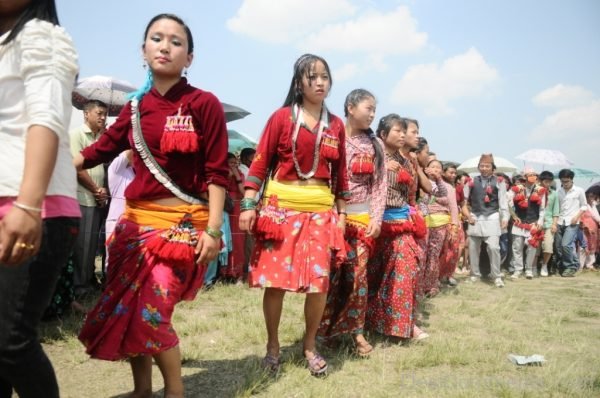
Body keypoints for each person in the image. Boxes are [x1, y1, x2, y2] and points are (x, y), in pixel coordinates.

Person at [76, 14, 229, 398]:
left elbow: (217, 172)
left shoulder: (203, 104)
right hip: (134, 229)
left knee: (153, 313)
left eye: (175, 42)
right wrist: (56, 162)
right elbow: (98, 150)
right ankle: (142, 390)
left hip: (181, 228)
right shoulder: (133, 108)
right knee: (129, 311)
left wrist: (213, 230)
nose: (165, 46)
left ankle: (174, 393)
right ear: (143, 51)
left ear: (189, 58)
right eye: (156, 39)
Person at [239, 54, 349, 376]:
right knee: (275, 284)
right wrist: (248, 203)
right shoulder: (281, 118)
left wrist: (341, 215)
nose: (319, 83)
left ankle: (309, 345)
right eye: (312, 77)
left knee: (319, 285)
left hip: (320, 213)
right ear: (299, 82)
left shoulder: (336, 125)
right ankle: (273, 346)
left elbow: (341, 174)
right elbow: (259, 161)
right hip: (281, 210)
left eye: (324, 77)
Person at [0, 1, 80, 396]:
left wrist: (28, 205)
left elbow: (45, 117)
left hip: (35, 207)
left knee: (10, 340)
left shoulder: (41, 36)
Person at [317, 89, 387, 357]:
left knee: (357, 277)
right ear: (350, 107)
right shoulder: (331, 136)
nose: (371, 114)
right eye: (368, 108)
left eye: (374, 110)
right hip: (330, 217)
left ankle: (356, 332)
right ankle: (325, 331)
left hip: (361, 219)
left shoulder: (375, 145)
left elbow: (380, 186)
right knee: (331, 277)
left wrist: (376, 218)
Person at [366, 114, 428, 342]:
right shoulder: (375, 154)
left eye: (406, 131)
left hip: (402, 224)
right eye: (399, 131)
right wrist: (380, 167)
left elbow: (412, 194)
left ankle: (403, 324)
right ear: (383, 135)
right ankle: (371, 322)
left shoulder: (407, 161)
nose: (403, 135)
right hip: (377, 223)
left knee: (405, 270)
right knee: (375, 276)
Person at [70, 99, 109, 296]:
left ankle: (87, 281)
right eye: (99, 113)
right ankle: (79, 287)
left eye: (105, 114)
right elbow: (76, 167)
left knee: (92, 245)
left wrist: (101, 191)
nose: (103, 117)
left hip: (97, 199)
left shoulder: (100, 138)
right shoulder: (77, 135)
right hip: (82, 198)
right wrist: (96, 189)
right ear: (86, 114)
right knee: (82, 246)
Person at [462, 153, 508, 288]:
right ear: (478, 167)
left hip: (492, 216)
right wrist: (467, 215)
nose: (484, 168)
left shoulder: (499, 181)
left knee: (494, 248)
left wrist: (504, 217)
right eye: (481, 166)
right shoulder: (470, 181)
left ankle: (496, 275)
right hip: (475, 216)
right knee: (473, 248)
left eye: (487, 166)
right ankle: (474, 274)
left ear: (492, 168)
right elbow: (463, 201)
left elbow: (503, 202)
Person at [508, 167, 545, 280]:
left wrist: (540, 221)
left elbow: (542, 209)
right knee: (517, 247)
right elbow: (506, 202)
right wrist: (513, 215)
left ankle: (528, 269)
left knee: (531, 247)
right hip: (519, 222)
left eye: (534, 174)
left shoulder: (540, 190)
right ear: (524, 177)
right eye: (530, 175)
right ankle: (518, 270)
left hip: (533, 222)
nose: (533, 177)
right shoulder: (516, 189)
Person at [104, 149, 135, 269]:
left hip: (133, 223)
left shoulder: (134, 171)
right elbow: (130, 151)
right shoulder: (115, 168)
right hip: (116, 222)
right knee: (113, 261)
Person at [554, 169, 587, 277]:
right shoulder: (558, 191)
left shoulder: (579, 190)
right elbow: (557, 207)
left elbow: (584, 205)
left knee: (566, 245)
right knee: (558, 247)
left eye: (567, 181)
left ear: (572, 180)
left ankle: (571, 266)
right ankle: (564, 266)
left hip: (572, 222)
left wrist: (577, 216)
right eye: (563, 181)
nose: (565, 184)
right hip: (560, 221)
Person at [220, 152, 245, 282]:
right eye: (231, 163)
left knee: (238, 242)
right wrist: (228, 177)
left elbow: (244, 192)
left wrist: (236, 176)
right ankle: (224, 273)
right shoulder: (221, 174)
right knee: (225, 241)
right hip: (225, 209)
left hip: (237, 210)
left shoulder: (240, 174)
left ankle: (238, 273)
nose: (234, 165)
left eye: (236, 163)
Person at [537, 171, 559, 276]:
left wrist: (554, 224)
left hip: (549, 224)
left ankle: (544, 265)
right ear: (540, 181)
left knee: (548, 246)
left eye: (550, 181)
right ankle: (532, 267)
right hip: (536, 223)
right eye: (546, 181)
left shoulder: (554, 194)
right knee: (535, 247)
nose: (548, 184)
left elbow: (556, 211)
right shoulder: (535, 191)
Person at [579, 191, 599, 271]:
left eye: (593, 196)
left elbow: (596, 217)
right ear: (586, 197)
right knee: (583, 247)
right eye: (590, 197)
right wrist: (585, 226)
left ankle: (590, 264)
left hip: (594, 230)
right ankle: (580, 265)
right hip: (585, 229)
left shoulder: (594, 206)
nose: (591, 198)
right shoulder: (583, 206)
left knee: (592, 247)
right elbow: (581, 218)